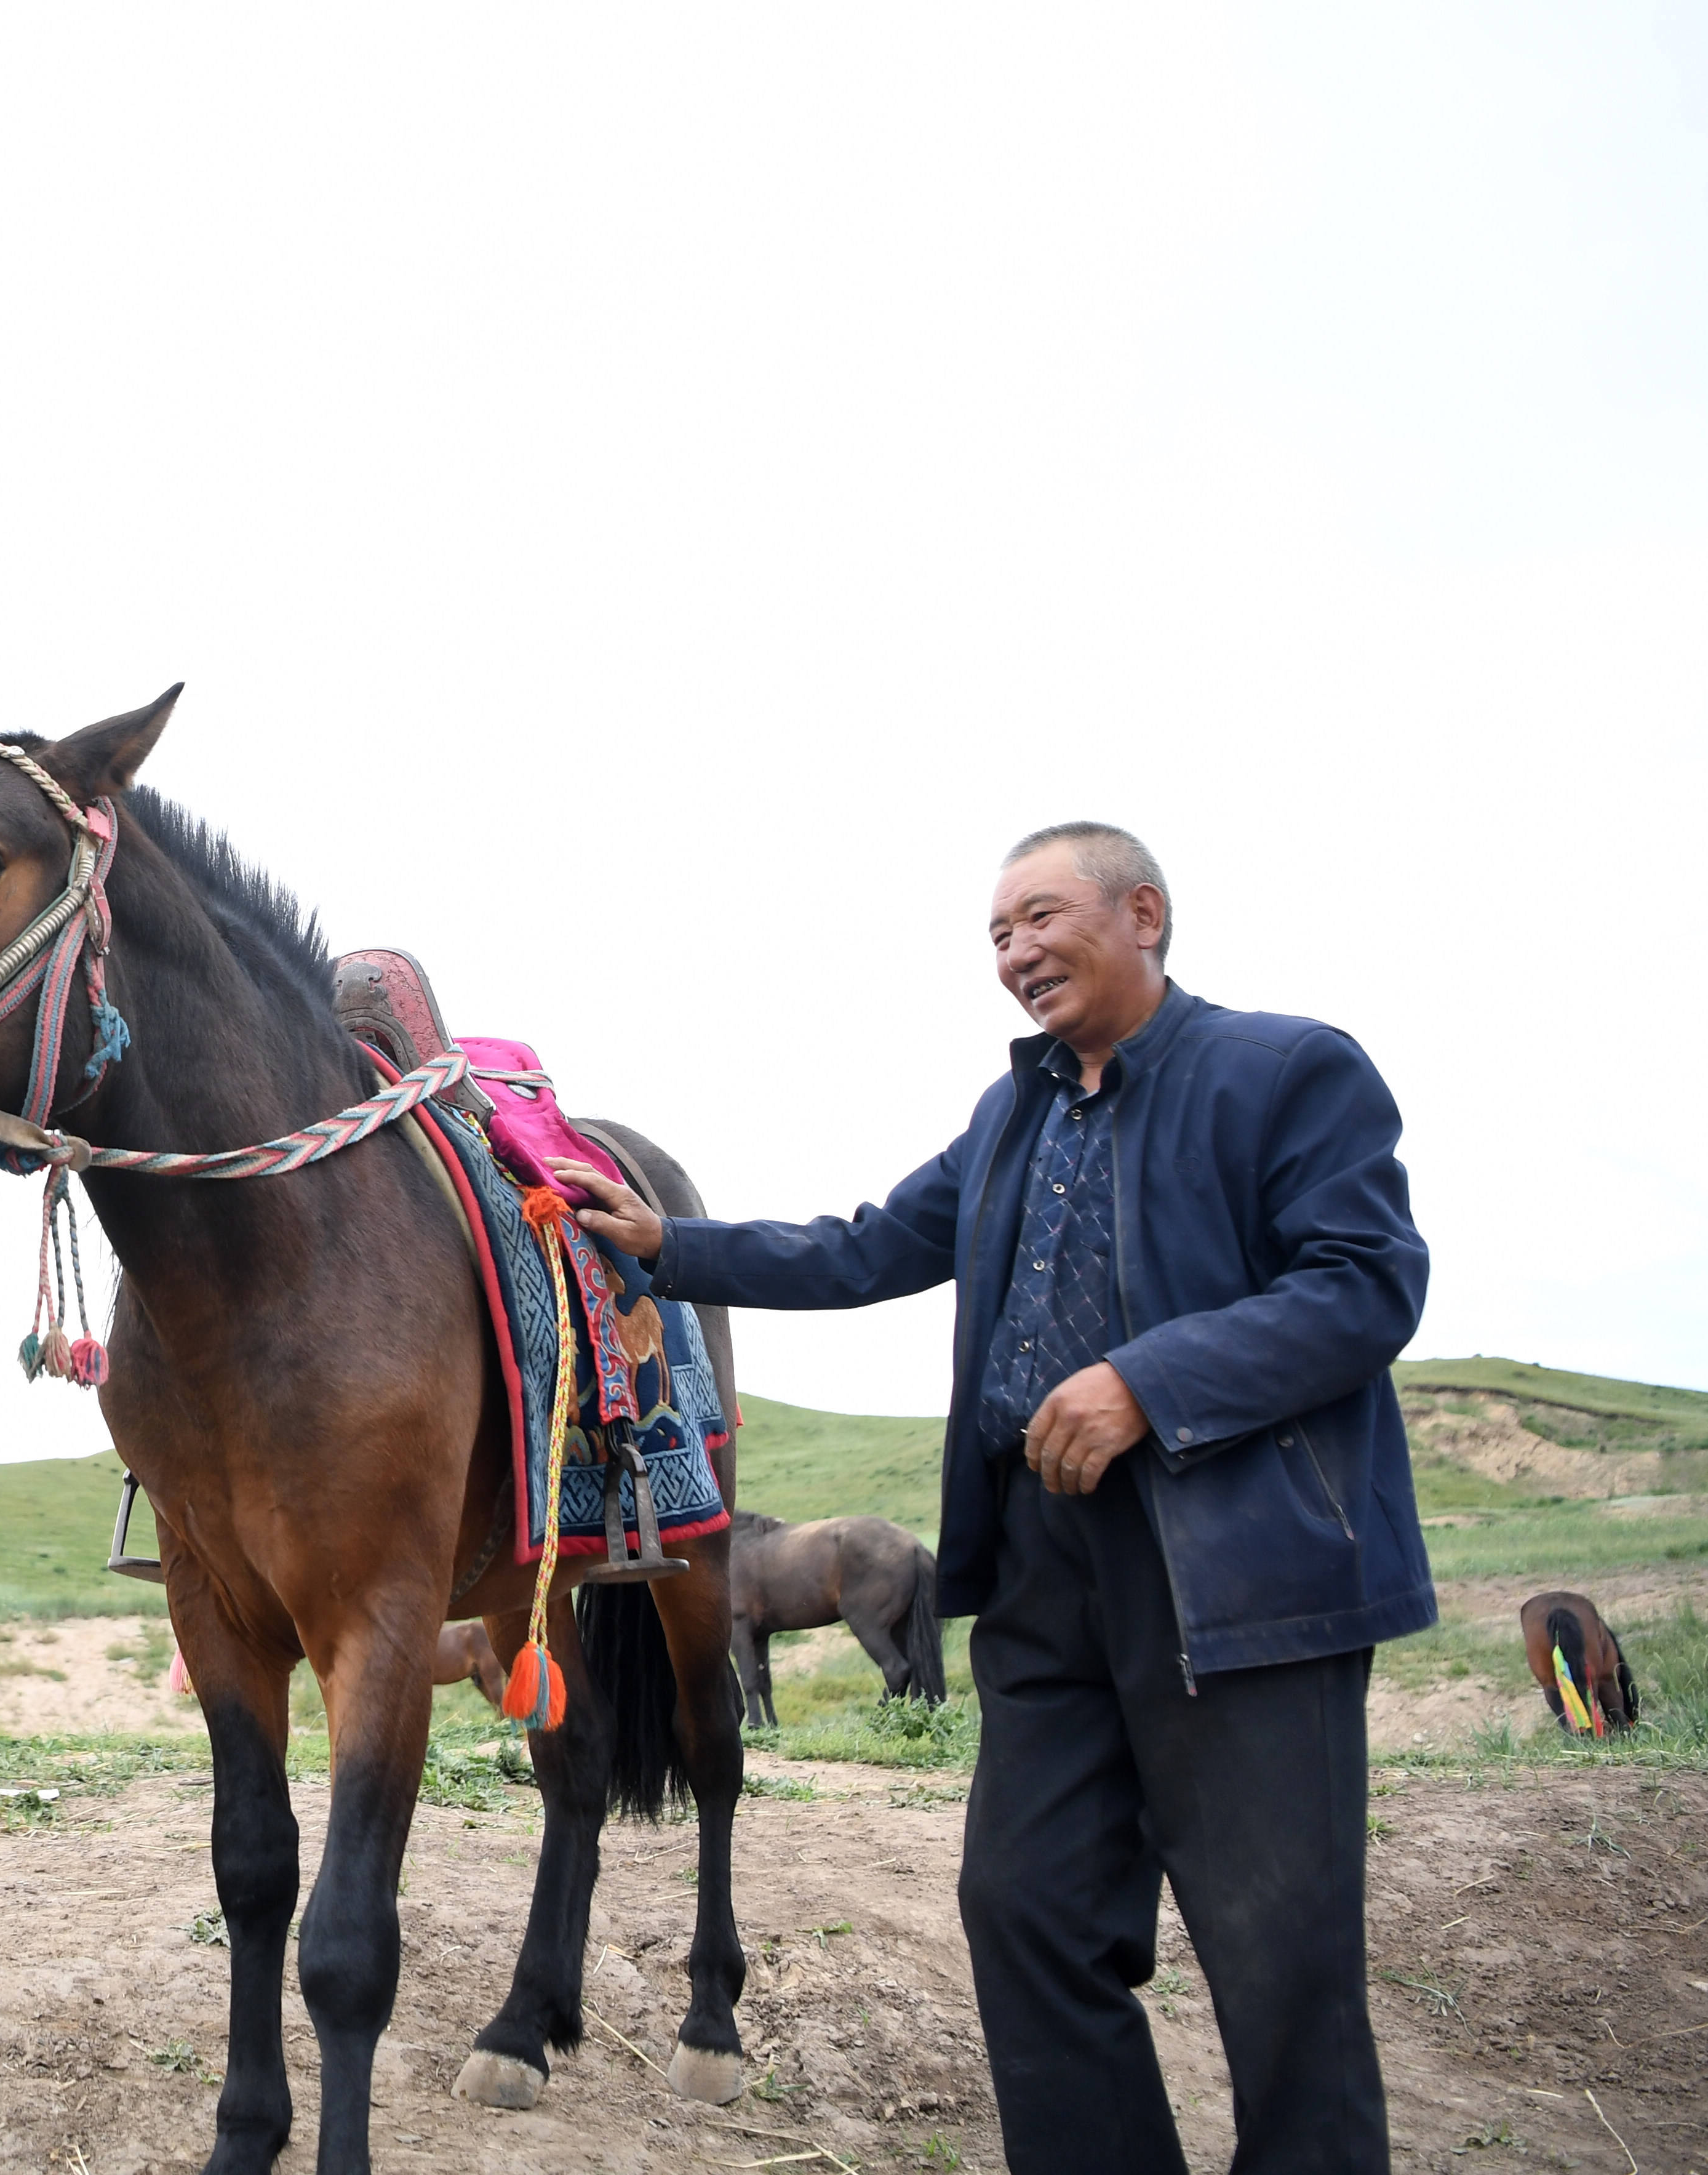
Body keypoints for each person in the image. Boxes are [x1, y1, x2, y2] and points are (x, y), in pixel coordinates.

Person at [550, 823, 1431, 2175]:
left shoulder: (1285, 1072)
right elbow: (865, 1247)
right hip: (1042, 1577)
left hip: (1242, 1583)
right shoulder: (1009, 1116)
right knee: (1025, 1912)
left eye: (1039, 918)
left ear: (1143, 913)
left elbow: (1366, 1283)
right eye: (996, 936)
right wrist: (670, 1246)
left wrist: (1147, 1380)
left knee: (1280, 1962)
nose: (1015, 953)